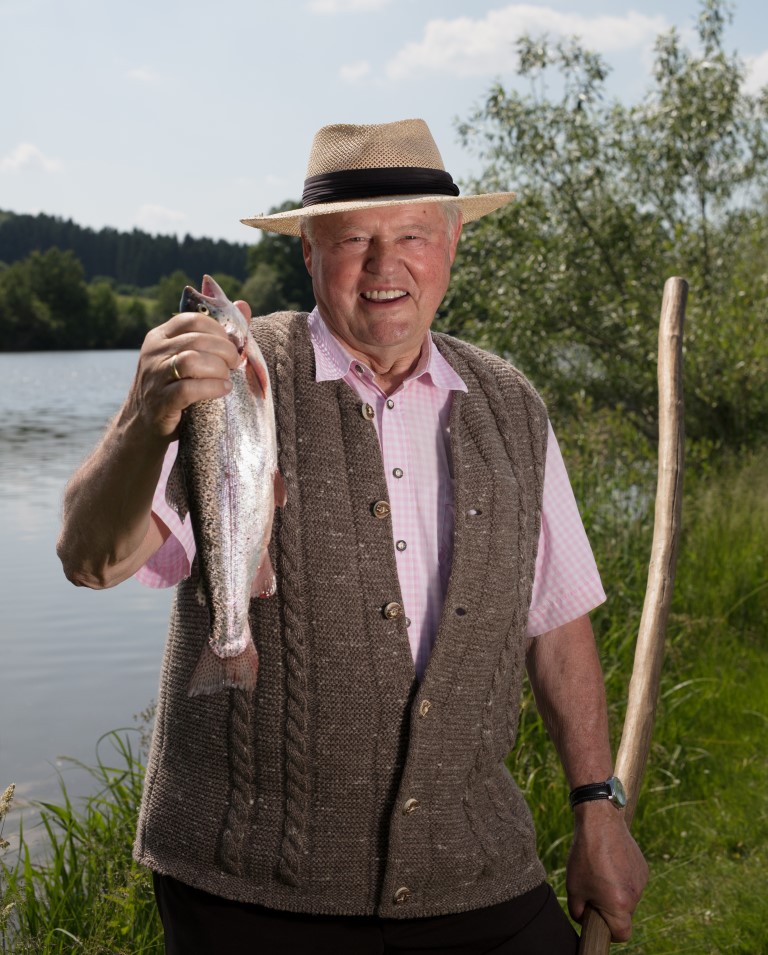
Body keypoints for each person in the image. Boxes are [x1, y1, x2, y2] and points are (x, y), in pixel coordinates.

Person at [57, 118, 648, 954]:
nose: (385, 266)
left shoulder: (513, 402)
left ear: (451, 245)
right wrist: (141, 418)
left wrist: (597, 805)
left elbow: (555, 620)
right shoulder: (226, 371)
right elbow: (88, 560)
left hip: (474, 870)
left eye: (412, 234)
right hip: (251, 889)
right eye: (353, 239)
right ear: (307, 253)